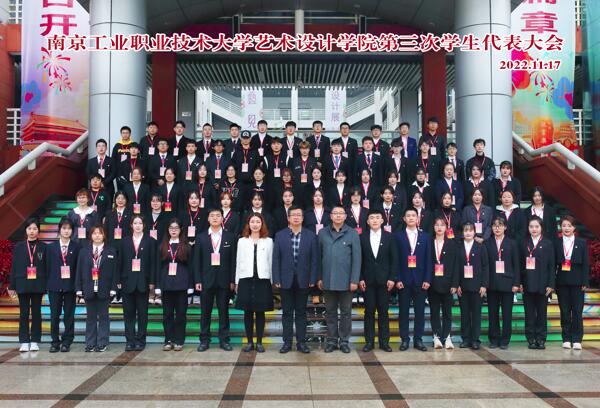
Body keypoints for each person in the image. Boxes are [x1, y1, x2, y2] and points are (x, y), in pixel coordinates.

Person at [273, 206, 319, 353]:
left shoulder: (311, 236)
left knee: (301, 312)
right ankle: (287, 343)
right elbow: (276, 259)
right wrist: (276, 277)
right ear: (288, 218)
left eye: (299, 215)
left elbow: (314, 260)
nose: (296, 217)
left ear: (303, 218)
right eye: (293, 215)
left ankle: (301, 343)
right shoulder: (280, 235)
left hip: (304, 279)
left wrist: (313, 278)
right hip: (285, 280)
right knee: (286, 313)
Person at [317, 206, 361, 353]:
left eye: (340, 213)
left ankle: (344, 341)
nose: (337, 216)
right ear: (330, 216)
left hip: (346, 281)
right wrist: (319, 277)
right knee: (330, 312)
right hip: (327, 279)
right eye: (335, 213)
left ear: (345, 216)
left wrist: (354, 280)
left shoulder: (353, 233)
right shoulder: (322, 233)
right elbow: (318, 257)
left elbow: (357, 259)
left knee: (346, 312)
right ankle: (331, 340)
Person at [195, 209, 237, 351]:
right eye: (212, 216)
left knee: (223, 312)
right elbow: (197, 261)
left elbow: (233, 261)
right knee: (205, 312)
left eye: (218, 216)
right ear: (208, 218)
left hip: (224, 280)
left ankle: (224, 340)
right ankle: (204, 340)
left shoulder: (230, 237)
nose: (215, 218)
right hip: (206, 280)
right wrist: (197, 280)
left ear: (222, 219)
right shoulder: (201, 237)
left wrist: (232, 280)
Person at [359, 209, 398, 352]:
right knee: (369, 312)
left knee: (383, 312)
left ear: (382, 220)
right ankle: (369, 342)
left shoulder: (390, 237)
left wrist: (392, 278)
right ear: (367, 221)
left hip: (385, 281)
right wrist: (360, 278)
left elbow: (394, 259)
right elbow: (359, 260)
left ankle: (384, 342)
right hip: (368, 281)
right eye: (372, 218)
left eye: (377, 218)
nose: (374, 220)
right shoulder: (362, 237)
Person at [395, 207, 432, 351]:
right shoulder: (397, 236)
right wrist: (397, 278)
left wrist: (427, 279)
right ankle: (404, 339)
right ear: (404, 219)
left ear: (418, 218)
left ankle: (418, 340)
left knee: (420, 312)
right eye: (408, 216)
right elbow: (396, 259)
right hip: (403, 281)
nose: (411, 218)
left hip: (420, 280)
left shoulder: (426, 237)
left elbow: (429, 259)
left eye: (413, 215)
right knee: (403, 312)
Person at [235, 213, 274, 353]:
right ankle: (250, 342)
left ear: (262, 224)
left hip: (262, 280)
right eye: (252, 222)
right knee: (248, 312)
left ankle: (259, 342)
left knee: (260, 312)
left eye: (258, 222)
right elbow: (238, 261)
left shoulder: (268, 241)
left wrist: (271, 281)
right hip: (245, 279)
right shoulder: (242, 241)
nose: (255, 224)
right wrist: (237, 281)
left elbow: (271, 261)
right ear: (248, 224)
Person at [75, 225, 117, 352]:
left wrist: (113, 288)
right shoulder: (84, 251)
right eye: (94, 233)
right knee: (90, 317)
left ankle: (102, 342)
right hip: (88, 288)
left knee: (104, 317)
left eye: (100, 233)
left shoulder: (111, 251)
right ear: (91, 236)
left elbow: (115, 271)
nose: (97, 235)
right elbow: (79, 270)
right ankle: (90, 343)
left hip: (105, 289)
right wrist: (78, 288)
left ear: (104, 235)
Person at [9, 218, 48, 353]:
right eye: (29, 228)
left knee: (37, 313)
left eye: (35, 229)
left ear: (38, 230)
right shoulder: (19, 247)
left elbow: (47, 267)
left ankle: (35, 340)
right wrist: (12, 286)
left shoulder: (44, 247)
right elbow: (14, 267)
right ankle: (24, 341)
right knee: (24, 313)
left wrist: (47, 285)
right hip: (22, 284)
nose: (32, 231)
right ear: (26, 230)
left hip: (38, 284)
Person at [156, 218, 194, 351]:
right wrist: (158, 286)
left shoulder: (186, 246)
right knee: (167, 315)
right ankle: (168, 339)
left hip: (182, 286)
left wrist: (190, 286)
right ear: (168, 230)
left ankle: (179, 340)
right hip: (166, 285)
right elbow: (158, 267)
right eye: (171, 228)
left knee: (181, 314)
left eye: (176, 228)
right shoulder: (162, 246)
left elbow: (191, 267)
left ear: (180, 230)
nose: (173, 230)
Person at [119, 215, 156, 351]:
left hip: (143, 282)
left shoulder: (150, 241)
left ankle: (141, 340)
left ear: (144, 225)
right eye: (135, 223)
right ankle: (130, 341)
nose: (138, 226)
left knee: (142, 314)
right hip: (127, 282)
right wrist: (118, 280)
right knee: (128, 314)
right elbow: (120, 262)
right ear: (131, 225)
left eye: (140, 223)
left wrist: (152, 281)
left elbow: (153, 263)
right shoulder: (124, 241)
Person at [520, 216, 555, 350]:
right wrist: (520, 282)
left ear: (541, 228)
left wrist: (551, 284)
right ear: (528, 228)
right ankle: (531, 338)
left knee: (541, 314)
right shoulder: (523, 242)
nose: (534, 229)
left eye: (536, 226)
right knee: (529, 314)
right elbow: (519, 265)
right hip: (527, 283)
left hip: (543, 285)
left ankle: (541, 338)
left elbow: (552, 266)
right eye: (531, 227)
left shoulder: (547, 243)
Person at [555, 215, 590, 350]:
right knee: (564, 311)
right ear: (561, 227)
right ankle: (566, 338)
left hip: (577, 283)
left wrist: (585, 281)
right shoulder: (557, 242)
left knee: (576, 311)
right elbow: (553, 264)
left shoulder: (581, 243)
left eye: (569, 226)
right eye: (564, 225)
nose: (566, 228)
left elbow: (586, 264)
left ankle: (576, 339)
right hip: (562, 282)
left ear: (574, 227)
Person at [485, 216, 520, 349]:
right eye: (494, 225)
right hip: (492, 283)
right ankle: (494, 339)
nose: (497, 228)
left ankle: (505, 340)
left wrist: (516, 283)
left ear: (505, 227)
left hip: (508, 283)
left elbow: (516, 264)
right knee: (492, 313)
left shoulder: (512, 243)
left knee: (507, 314)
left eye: (500, 225)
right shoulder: (487, 243)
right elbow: (485, 265)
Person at [47, 218, 81, 353]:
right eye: (64, 228)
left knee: (69, 315)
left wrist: (78, 287)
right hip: (54, 286)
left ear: (72, 231)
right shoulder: (50, 247)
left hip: (70, 287)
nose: (66, 231)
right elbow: (47, 267)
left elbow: (78, 269)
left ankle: (67, 341)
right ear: (59, 230)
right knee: (54, 315)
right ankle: (55, 342)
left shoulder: (77, 247)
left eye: (69, 229)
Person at [457, 222, 489, 350]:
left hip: (477, 286)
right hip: (462, 286)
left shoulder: (481, 247)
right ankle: (466, 339)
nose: (468, 233)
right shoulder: (458, 247)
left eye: (470, 230)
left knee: (476, 314)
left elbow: (485, 267)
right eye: (466, 230)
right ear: (462, 232)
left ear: (475, 232)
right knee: (464, 314)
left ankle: (475, 339)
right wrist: (457, 284)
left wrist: (484, 285)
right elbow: (455, 268)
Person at [428, 217, 459, 350]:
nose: (439, 227)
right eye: (437, 225)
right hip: (433, 283)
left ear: (446, 228)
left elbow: (456, 265)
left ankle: (447, 337)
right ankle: (436, 337)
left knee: (447, 312)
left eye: (442, 225)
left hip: (448, 284)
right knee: (434, 311)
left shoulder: (452, 244)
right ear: (433, 227)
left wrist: (455, 284)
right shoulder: (429, 242)